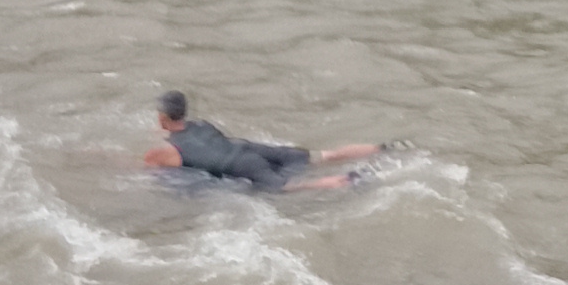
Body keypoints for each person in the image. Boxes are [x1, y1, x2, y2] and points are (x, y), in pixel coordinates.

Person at [143, 89, 389, 191]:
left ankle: (347, 180)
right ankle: (384, 148)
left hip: (242, 166)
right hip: (253, 149)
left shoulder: (161, 154)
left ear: (162, 118)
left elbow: (142, 170)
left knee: (290, 187)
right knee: (325, 155)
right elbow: (187, 136)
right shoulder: (201, 125)